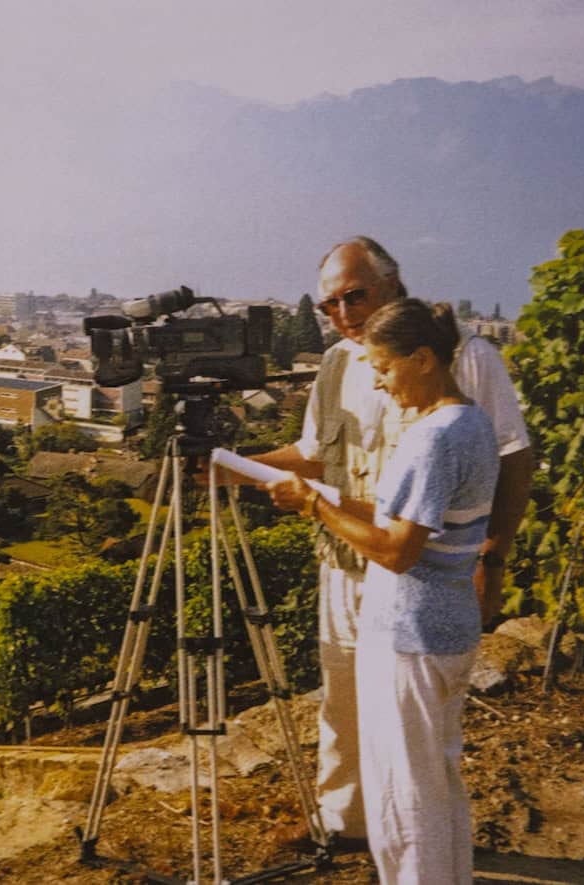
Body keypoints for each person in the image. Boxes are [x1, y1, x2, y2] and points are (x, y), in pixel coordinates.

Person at [241, 237, 534, 846]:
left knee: (414, 727)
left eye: (355, 296)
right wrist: (230, 467)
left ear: (392, 286)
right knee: (341, 697)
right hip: (345, 560)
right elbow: (313, 456)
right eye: (329, 305)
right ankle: (345, 821)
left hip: (419, 574)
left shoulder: (466, 356)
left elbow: (514, 456)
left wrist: (492, 558)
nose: (342, 313)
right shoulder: (335, 364)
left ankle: (416, 840)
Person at [267, 298, 498, 884]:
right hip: (446, 629)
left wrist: (317, 505)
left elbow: (398, 551)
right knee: (435, 780)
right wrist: (334, 500)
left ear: (422, 359)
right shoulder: (471, 423)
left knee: (403, 795)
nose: (378, 380)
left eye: (384, 367)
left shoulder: (431, 438)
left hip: (409, 636)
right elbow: (409, 517)